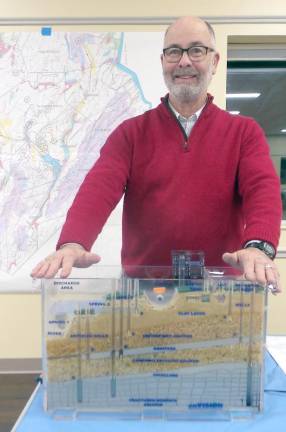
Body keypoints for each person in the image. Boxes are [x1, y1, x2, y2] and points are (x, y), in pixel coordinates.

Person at [31, 16, 282, 292]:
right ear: (163, 62)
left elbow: (262, 191)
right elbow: (97, 190)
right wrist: (73, 243)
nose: (184, 61)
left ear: (215, 61)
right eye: (174, 51)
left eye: (197, 50)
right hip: (144, 297)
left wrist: (258, 246)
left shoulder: (244, 132)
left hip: (219, 295)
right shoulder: (131, 133)